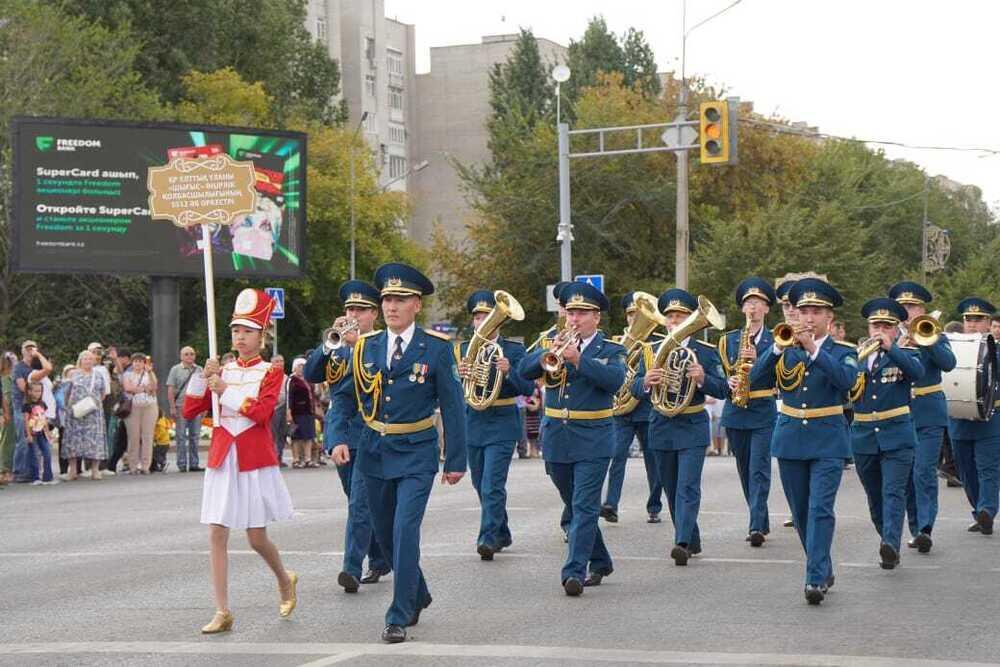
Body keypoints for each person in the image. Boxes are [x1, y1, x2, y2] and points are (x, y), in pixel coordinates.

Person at [329, 263, 466, 643]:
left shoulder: (436, 349)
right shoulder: (366, 348)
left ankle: (398, 614)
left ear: (416, 305)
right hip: (373, 452)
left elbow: (453, 407)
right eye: (387, 299)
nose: (391, 306)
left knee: (405, 530)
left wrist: (455, 460)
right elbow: (343, 399)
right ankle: (417, 592)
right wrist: (337, 437)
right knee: (386, 536)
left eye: (400, 299)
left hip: (417, 452)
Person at [183, 288, 296, 634]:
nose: (240, 337)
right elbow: (190, 409)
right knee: (217, 532)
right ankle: (222, 610)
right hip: (222, 458)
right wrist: (203, 376)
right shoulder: (221, 368)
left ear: (263, 336)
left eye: (248, 331)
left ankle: (284, 577)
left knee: (256, 538)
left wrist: (223, 390)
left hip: (252, 458)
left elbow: (262, 413)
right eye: (236, 331)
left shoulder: (272, 371)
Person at [749, 278, 857, 605]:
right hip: (791, 438)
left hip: (828, 440)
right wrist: (776, 349)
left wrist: (814, 350)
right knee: (800, 513)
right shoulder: (783, 348)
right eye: (803, 310)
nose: (809, 317)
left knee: (820, 508)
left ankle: (813, 578)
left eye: (816, 311)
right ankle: (821, 565)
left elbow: (846, 382)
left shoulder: (844, 352)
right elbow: (754, 380)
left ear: (829, 317)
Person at [521, 281, 626, 594]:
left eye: (581, 313)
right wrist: (544, 355)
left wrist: (579, 360)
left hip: (594, 437)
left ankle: (574, 572)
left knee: (583, 506)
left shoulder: (611, 350)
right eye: (570, 312)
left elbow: (615, 381)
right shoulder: (550, 341)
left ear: (597, 317)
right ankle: (601, 560)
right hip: (556, 437)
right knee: (575, 503)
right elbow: (520, 372)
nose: (574, 319)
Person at [305, 279, 391, 592]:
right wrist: (330, 343)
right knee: (361, 503)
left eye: (360, 309)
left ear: (374, 315)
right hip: (342, 432)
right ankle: (380, 558)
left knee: (359, 504)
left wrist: (358, 345)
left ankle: (351, 569)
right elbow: (312, 373)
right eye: (349, 309)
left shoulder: (383, 343)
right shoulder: (338, 344)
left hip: (371, 433)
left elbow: (384, 380)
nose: (353, 314)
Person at [631, 288, 728, 566]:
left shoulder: (706, 353)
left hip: (692, 423)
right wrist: (647, 381)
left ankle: (681, 541)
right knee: (671, 488)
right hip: (661, 425)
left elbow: (723, 390)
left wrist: (702, 379)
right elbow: (633, 388)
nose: (675, 321)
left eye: (681, 316)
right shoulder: (650, 350)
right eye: (671, 316)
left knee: (687, 485)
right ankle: (691, 537)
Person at [456, 290, 534, 561]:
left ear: (498, 321)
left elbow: (527, 388)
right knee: (480, 484)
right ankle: (501, 531)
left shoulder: (513, 350)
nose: (480, 322)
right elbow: (452, 390)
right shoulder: (463, 349)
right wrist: (460, 376)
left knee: (492, 484)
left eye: (486, 316)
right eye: (477, 317)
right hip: (474, 421)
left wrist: (509, 371)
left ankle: (488, 538)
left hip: (502, 421)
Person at [848, 298, 924, 570]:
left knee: (894, 491)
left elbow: (917, 372)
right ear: (868, 328)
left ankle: (890, 543)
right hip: (864, 434)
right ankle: (887, 538)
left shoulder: (907, 353)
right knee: (874, 495)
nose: (879, 330)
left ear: (896, 329)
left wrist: (892, 349)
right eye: (875, 325)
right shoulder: (854, 356)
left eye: (886, 326)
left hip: (897, 434)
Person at [889, 282, 956, 554]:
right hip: (900, 413)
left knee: (924, 471)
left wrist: (926, 341)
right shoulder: (890, 335)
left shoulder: (935, 333)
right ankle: (917, 529)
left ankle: (926, 527)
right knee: (905, 477)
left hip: (929, 411)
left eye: (913, 306)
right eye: (903, 307)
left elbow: (948, 363)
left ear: (922, 309)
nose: (908, 311)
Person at [719, 277, 778, 547]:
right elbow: (720, 372)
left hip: (762, 409)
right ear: (742, 309)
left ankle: (755, 525)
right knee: (744, 470)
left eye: (757, 303)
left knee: (759, 469)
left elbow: (781, 374)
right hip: (736, 410)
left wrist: (758, 359)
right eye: (748, 304)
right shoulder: (729, 340)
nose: (752, 308)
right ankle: (760, 518)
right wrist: (727, 381)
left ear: (766, 309)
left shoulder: (777, 339)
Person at [604, 291, 664, 524]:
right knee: (617, 456)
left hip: (647, 409)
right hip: (622, 411)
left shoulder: (656, 344)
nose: (633, 318)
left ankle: (654, 506)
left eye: (637, 314)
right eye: (630, 314)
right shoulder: (618, 343)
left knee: (653, 460)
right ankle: (611, 504)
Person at [948, 297, 1000, 535]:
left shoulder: (996, 351)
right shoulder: (950, 351)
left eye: (978, 320)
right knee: (966, 470)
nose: (972, 324)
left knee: (988, 468)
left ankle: (987, 511)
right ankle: (979, 510)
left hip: (991, 418)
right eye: (968, 320)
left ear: (988, 324)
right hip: (959, 419)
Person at [61, 351, 107, 481]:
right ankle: (73, 470)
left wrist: (92, 403)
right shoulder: (73, 375)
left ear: (94, 361)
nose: (88, 361)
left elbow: (103, 393)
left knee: (94, 440)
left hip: (94, 412)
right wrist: (70, 407)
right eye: (85, 359)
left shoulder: (98, 375)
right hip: (75, 412)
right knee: (73, 440)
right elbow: (66, 393)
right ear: (80, 360)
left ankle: (95, 470)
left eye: (90, 359)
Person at [167, 346, 204, 472]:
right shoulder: (175, 369)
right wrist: (172, 407)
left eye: (192, 354)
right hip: (181, 405)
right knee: (181, 436)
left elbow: (203, 388)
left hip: (196, 407)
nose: (190, 356)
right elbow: (170, 389)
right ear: (181, 356)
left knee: (195, 436)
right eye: (186, 354)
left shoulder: (199, 369)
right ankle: (181, 464)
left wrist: (203, 408)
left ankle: (194, 463)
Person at [123, 353, 159, 475]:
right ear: (132, 363)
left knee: (147, 437)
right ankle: (132, 465)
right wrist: (144, 389)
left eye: (140, 361)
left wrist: (150, 373)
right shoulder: (128, 375)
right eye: (135, 361)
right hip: (133, 407)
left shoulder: (149, 374)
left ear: (144, 363)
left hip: (149, 406)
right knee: (133, 437)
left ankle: (145, 466)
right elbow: (128, 388)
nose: (137, 364)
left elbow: (154, 387)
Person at [22, 381, 55, 485]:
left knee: (47, 453)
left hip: (41, 432)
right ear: (29, 391)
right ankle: (35, 477)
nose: (38, 393)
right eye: (35, 391)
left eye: (39, 391)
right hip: (32, 433)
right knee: (34, 455)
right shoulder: (27, 405)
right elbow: (26, 421)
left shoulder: (42, 404)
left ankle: (48, 477)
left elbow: (44, 419)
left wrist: (48, 432)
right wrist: (28, 434)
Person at [287, 357, 318, 468]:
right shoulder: (292, 380)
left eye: (303, 366)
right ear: (295, 367)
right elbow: (288, 397)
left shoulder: (307, 379)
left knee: (308, 436)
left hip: (308, 411)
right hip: (297, 411)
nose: (301, 368)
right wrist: (289, 411)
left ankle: (307, 458)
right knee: (296, 436)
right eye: (300, 366)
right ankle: (296, 459)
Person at [269, 355, 289, 465]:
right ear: (271, 363)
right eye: (276, 361)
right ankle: (271, 458)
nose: (279, 363)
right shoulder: (268, 376)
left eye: (281, 361)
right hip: (273, 408)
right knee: (272, 434)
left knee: (282, 433)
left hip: (285, 407)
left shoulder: (286, 377)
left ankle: (279, 457)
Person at [0, 353, 14, 485]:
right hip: (6, 414)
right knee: (6, 443)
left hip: (10, 414)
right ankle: (4, 470)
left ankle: (6, 470)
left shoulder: (8, 378)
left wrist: (6, 413)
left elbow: (3, 399)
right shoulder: (4, 379)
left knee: (8, 442)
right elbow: (5, 398)